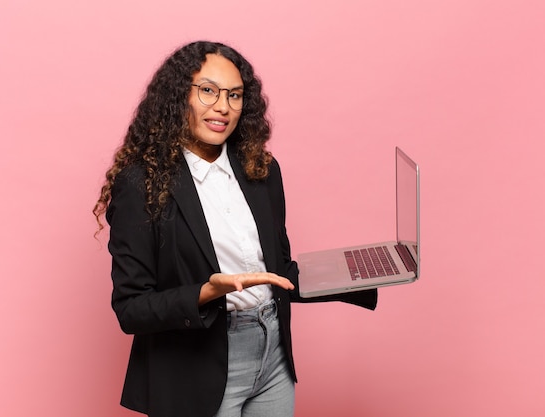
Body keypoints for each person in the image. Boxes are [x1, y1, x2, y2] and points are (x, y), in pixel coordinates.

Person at [93, 41, 377, 417]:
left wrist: (364, 273)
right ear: (180, 96)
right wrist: (205, 292)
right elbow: (131, 308)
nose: (223, 107)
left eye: (235, 95)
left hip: (273, 355)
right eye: (208, 91)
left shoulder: (261, 170)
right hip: (197, 366)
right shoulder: (141, 183)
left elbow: (277, 271)